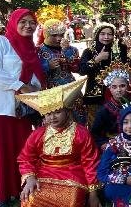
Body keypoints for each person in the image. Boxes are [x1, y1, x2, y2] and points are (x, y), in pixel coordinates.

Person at [0, 8, 45, 207]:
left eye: (32, 22)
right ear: (13, 23)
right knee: (0, 154)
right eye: (23, 21)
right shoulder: (0, 42)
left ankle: (18, 190)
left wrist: (37, 91)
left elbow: (35, 80)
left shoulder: (31, 50)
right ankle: (3, 197)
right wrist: (19, 85)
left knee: (21, 152)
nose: (28, 26)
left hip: (21, 111)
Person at [16, 78, 101, 207]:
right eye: (48, 114)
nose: (52, 117)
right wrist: (30, 178)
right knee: (31, 198)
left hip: (73, 176)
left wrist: (93, 194)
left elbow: (90, 163)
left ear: (67, 111)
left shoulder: (81, 133)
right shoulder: (38, 134)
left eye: (57, 112)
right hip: (43, 175)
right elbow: (25, 158)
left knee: (70, 200)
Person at [98, 105, 131, 207]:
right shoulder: (114, 145)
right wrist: (125, 179)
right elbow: (102, 173)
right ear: (121, 123)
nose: (130, 126)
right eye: (125, 122)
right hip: (117, 185)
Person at [80, 23, 128, 125]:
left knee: (117, 123)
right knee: (96, 124)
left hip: (116, 93)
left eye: (109, 34)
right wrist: (97, 59)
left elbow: (126, 68)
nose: (106, 37)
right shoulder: (89, 51)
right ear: (97, 35)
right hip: (95, 95)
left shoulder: (121, 49)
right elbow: (82, 70)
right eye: (102, 34)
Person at [91, 62, 131, 148]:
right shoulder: (103, 110)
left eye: (122, 86)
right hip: (113, 145)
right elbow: (95, 134)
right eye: (114, 87)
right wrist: (105, 144)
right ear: (110, 89)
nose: (119, 90)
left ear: (128, 86)